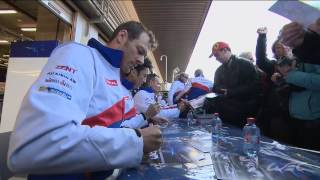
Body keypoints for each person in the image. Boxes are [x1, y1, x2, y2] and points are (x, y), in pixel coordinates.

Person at [7, 21, 163, 178]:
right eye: (140, 51)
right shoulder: (78, 54)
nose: (142, 61)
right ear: (122, 36)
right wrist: (136, 141)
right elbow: (36, 145)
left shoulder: (113, 76)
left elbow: (107, 129)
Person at [206, 41, 260, 127]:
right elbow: (216, 88)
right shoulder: (218, 70)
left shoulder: (245, 64)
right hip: (225, 112)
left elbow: (254, 86)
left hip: (243, 112)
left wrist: (231, 92)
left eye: (217, 55)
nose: (216, 58)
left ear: (225, 50)